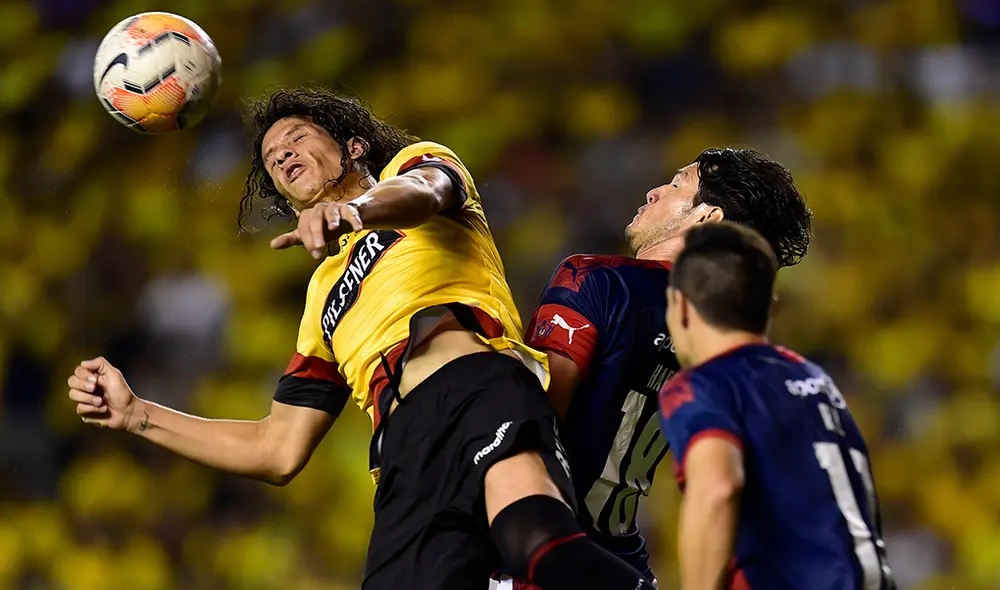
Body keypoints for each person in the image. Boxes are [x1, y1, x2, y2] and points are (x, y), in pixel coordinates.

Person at [66, 87, 655, 590]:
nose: (283, 154)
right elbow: (278, 449)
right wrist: (138, 415)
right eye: (272, 158)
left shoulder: (414, 175)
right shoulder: (320, 297)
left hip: (479, 386)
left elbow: (427, 189)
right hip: (402, 457)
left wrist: (357, 213)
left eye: (296, 137)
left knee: (538, 541)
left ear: (354, 146)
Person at [493, 148, 812, 588]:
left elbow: (531, 415)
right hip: (624, 560)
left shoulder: (597, 280)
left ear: (707, 218)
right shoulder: (729, 338)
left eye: (678, 184)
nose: (654, 190)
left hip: (547, 551)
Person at [658, 221, 895, 589]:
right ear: (771, 308)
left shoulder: (703, 385)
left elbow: (717, 487)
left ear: (681, 307)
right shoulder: (815, 379)